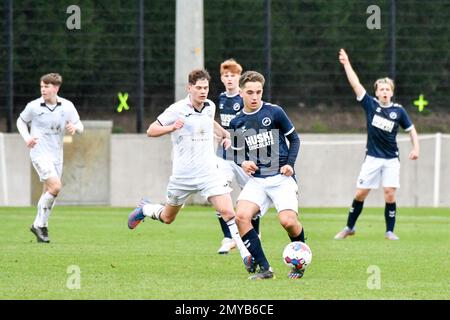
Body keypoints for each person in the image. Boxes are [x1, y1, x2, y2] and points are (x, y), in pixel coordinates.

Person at [127, 69, 254, 271]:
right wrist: (171, 128)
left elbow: (209, 122)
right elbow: (151, 130)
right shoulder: (177, 109)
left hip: (208, 173)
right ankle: (145, 209)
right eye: (199, 88)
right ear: (189, 88)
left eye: (206, 88)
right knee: (168, 217)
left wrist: (224, 134)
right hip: (182, 176)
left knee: (228, 212)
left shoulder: (210, 106)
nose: (203, 91)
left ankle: (246, 256)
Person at [334, 48, 420, 241]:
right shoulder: (370, 105)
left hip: (391, 159)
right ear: (376, 92)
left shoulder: (398, 111)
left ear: (392, 92)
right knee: (361, 193)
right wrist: (346, 63)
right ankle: (349, 227)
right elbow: (355, 84)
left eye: (387, 89)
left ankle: (389, 231)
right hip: (372, 158)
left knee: (389, 194)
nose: (384, 92)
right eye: (381, 89)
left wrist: (416, 148)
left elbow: (411, 130)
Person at [229, 71, 305, 280]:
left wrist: (289, 165)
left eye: (259, 92)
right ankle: (265, 268)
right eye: (250, 92)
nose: (255, 97)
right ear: (241, 93)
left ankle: (300, 259)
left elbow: (295, 140)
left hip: (281, 178)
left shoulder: (274, 112)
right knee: (241, 217)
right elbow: (236, 152)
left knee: (288, 222)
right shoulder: (237, 122)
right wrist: (243, 162)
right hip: (258, 180)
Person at [17, 73, 84, 243]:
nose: (43, 90)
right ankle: (39, 224)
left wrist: (74, 127)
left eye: (46, 87)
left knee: (49, 192)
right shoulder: (34, 106)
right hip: (39, 153)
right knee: (56, 187)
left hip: (57, 155)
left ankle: (41, 227)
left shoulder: (67, 106)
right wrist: (27, 138)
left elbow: (80, 126)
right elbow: (21, 121)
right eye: (41, 86)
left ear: (56, 88)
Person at [214, 59, 265, 254]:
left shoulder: (244, 99)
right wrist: (222, 135)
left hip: (244, 155)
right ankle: (228, 237)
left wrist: (234, 138)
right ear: (221, 78)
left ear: (239, 78)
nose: (229, 79)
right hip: (224, 155)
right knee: (219, 191)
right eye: (225, 75)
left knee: (251, 196)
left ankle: (256, 234)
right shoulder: (221, 98)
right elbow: (224, 125)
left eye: (233, 75)